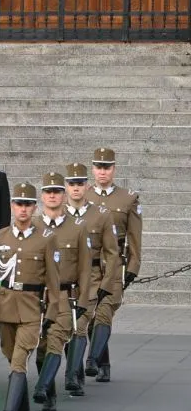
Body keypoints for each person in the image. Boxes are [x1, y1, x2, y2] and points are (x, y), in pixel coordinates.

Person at [0, 183, 65, 411]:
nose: (23, 209)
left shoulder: (46, 238)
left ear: (34, 207)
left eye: (27, 204)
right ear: (12, 207)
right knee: (11, 358)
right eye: (19, 204)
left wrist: (50, 313)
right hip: (5, 306)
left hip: (30, 308)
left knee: (19, 360)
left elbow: (53, 281)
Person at [33, 173, 93, 411]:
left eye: (57, 191)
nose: (52, 195)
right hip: (38, 298)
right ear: (42, 196)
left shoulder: (78, 228)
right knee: (40, 347)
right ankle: (49, 392)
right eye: (48, 191)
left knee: (56, 341)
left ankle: (41, 387)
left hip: (65, 297)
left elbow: (86, 268)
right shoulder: (33, 227)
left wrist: (83, 300)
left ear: (63, 194)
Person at [63, 163, 122, 394]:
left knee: (81, 326)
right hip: (66, 280)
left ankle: (79, 372)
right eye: (71, 184)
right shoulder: (57, 216)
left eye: (80, 183)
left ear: (87, 186)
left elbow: (112, 252)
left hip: (93, 277)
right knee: (69, 329)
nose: (76, 188)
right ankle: (75, 372)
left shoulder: (101, 215)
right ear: (66, 187)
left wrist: (107, 285)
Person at [86, 147, 142, 383]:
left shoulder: (127, 198)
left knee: (105, 312)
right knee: (89, 315)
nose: (102, 172)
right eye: (98, 167)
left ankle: (93, 360)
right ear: (93, 169)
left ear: (114, 169)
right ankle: (104, 362)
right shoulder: (84, 196)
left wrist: (132, 268)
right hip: (88, 264)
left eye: (106, 167)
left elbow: (135, 237)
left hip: (113, 262)